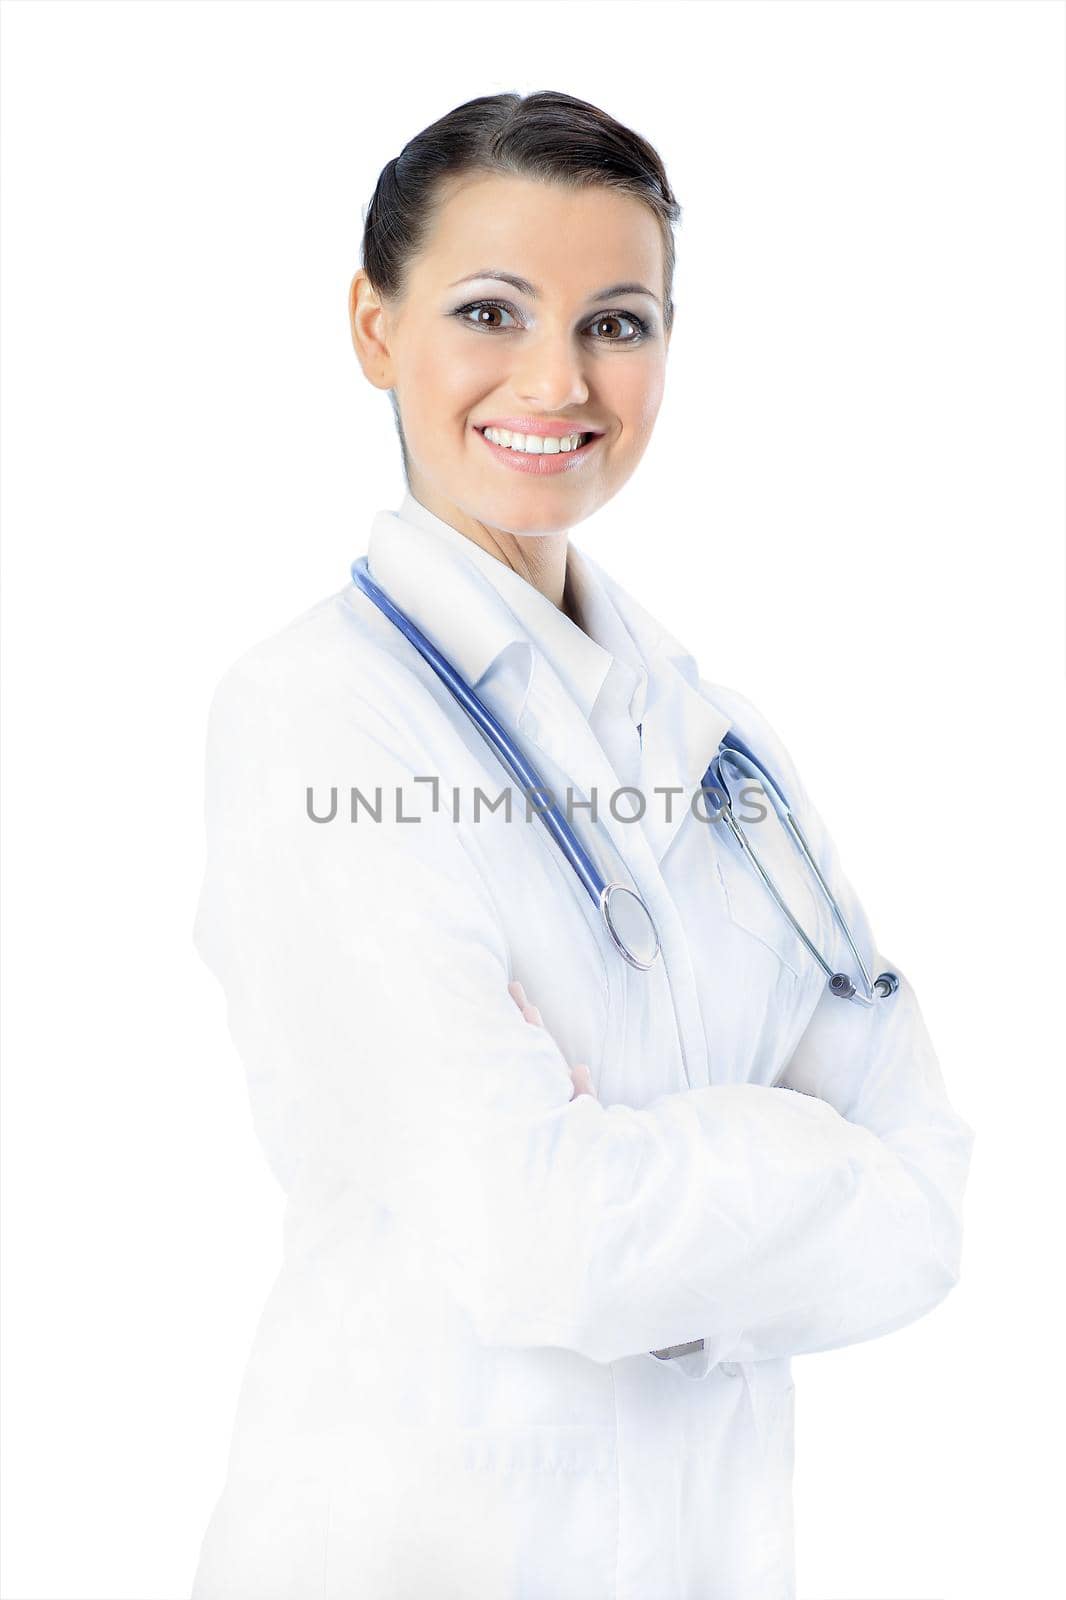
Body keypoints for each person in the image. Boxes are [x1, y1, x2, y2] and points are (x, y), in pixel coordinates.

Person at [189, 90, 975, 1600]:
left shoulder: (718, 743)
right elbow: (533, 1237)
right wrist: (791, 1160)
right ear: (373, 327)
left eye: (617, 321)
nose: (557, 379)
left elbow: (927, 1207)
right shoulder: (315, 720)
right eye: (491, 309)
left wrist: (646, 1192)